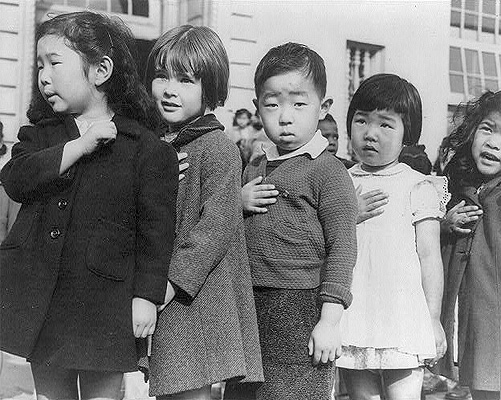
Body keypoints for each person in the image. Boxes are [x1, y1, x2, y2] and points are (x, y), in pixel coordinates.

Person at [0, 11, 179, 400]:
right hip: (43, 299)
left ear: (101, 70)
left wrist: (146, 296)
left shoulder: (144, 148)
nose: (44, 76)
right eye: (40, 65)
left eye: (55, 63)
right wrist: (79, 146)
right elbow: (15, 179)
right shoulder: (40, 135)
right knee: (51, 395)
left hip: (106, 303)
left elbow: (156, 232)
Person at [228, 42, 358, 400]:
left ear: (323, 108)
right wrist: (236, 203)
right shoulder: (254, 163)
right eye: (272, 104)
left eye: (299, 104)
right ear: (257, 108)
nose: (285, 116)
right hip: (248, 302)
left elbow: (343, 247)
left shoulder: (328, 171)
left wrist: (329, 321)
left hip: (301, 307)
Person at [144, 25, 263, 400]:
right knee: (172, 388)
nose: (169, 89)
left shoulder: (217, 148)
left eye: (185, 79)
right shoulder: (160, 144)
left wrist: (170, 283)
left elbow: (216, 226)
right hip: (169, 291)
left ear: (209, 89)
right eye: (161, 76)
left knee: (189, 389)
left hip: (194, 295)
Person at [336, 73, 449, 400]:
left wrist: (432, 317)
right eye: (361, 121)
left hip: (402, 315)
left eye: (385, 125)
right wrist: (347, 214)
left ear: (406, 134)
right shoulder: (339, 181)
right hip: (354, 312)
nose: (370, 134)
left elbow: (430, 257)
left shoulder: (417, 184)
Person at [439, 90, 501, 400]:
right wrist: (445, 226)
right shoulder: (459, 187)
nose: (494, 142)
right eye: (488, 129)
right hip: (475, 321)